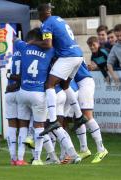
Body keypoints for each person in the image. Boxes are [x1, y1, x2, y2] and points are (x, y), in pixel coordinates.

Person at [15, 28, 81, 165]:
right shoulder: (52, 50)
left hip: (37, 93)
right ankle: (63, 155)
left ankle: (52, 156)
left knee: (46, 125)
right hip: (52, 93)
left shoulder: (25, 46)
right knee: (53, 126)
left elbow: (15, 40)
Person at [29, 3, 86, 135]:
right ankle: (78, 116)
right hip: (78, 55)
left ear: (40, 14)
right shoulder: (58, 18)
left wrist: (33, 43)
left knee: (49, 84)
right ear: (50, 11)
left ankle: (53, 120)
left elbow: (47, 45)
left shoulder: (46, 24)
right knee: (65, 85)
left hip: (68, 57)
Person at [74, 62, 108, 163]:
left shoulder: (64, 50)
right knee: (77, 118)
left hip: (84, 82)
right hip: (77, 84)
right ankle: (84, 149)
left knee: (87, 116)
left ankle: (101, 149)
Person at [5, 50, 28, 166]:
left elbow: (7, 73)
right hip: (20, 92)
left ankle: (13, 159)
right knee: (23, 125)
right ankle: (20, 158)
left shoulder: (12, 56)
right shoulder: (27, 54)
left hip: (9, 92)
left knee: (11, 125)